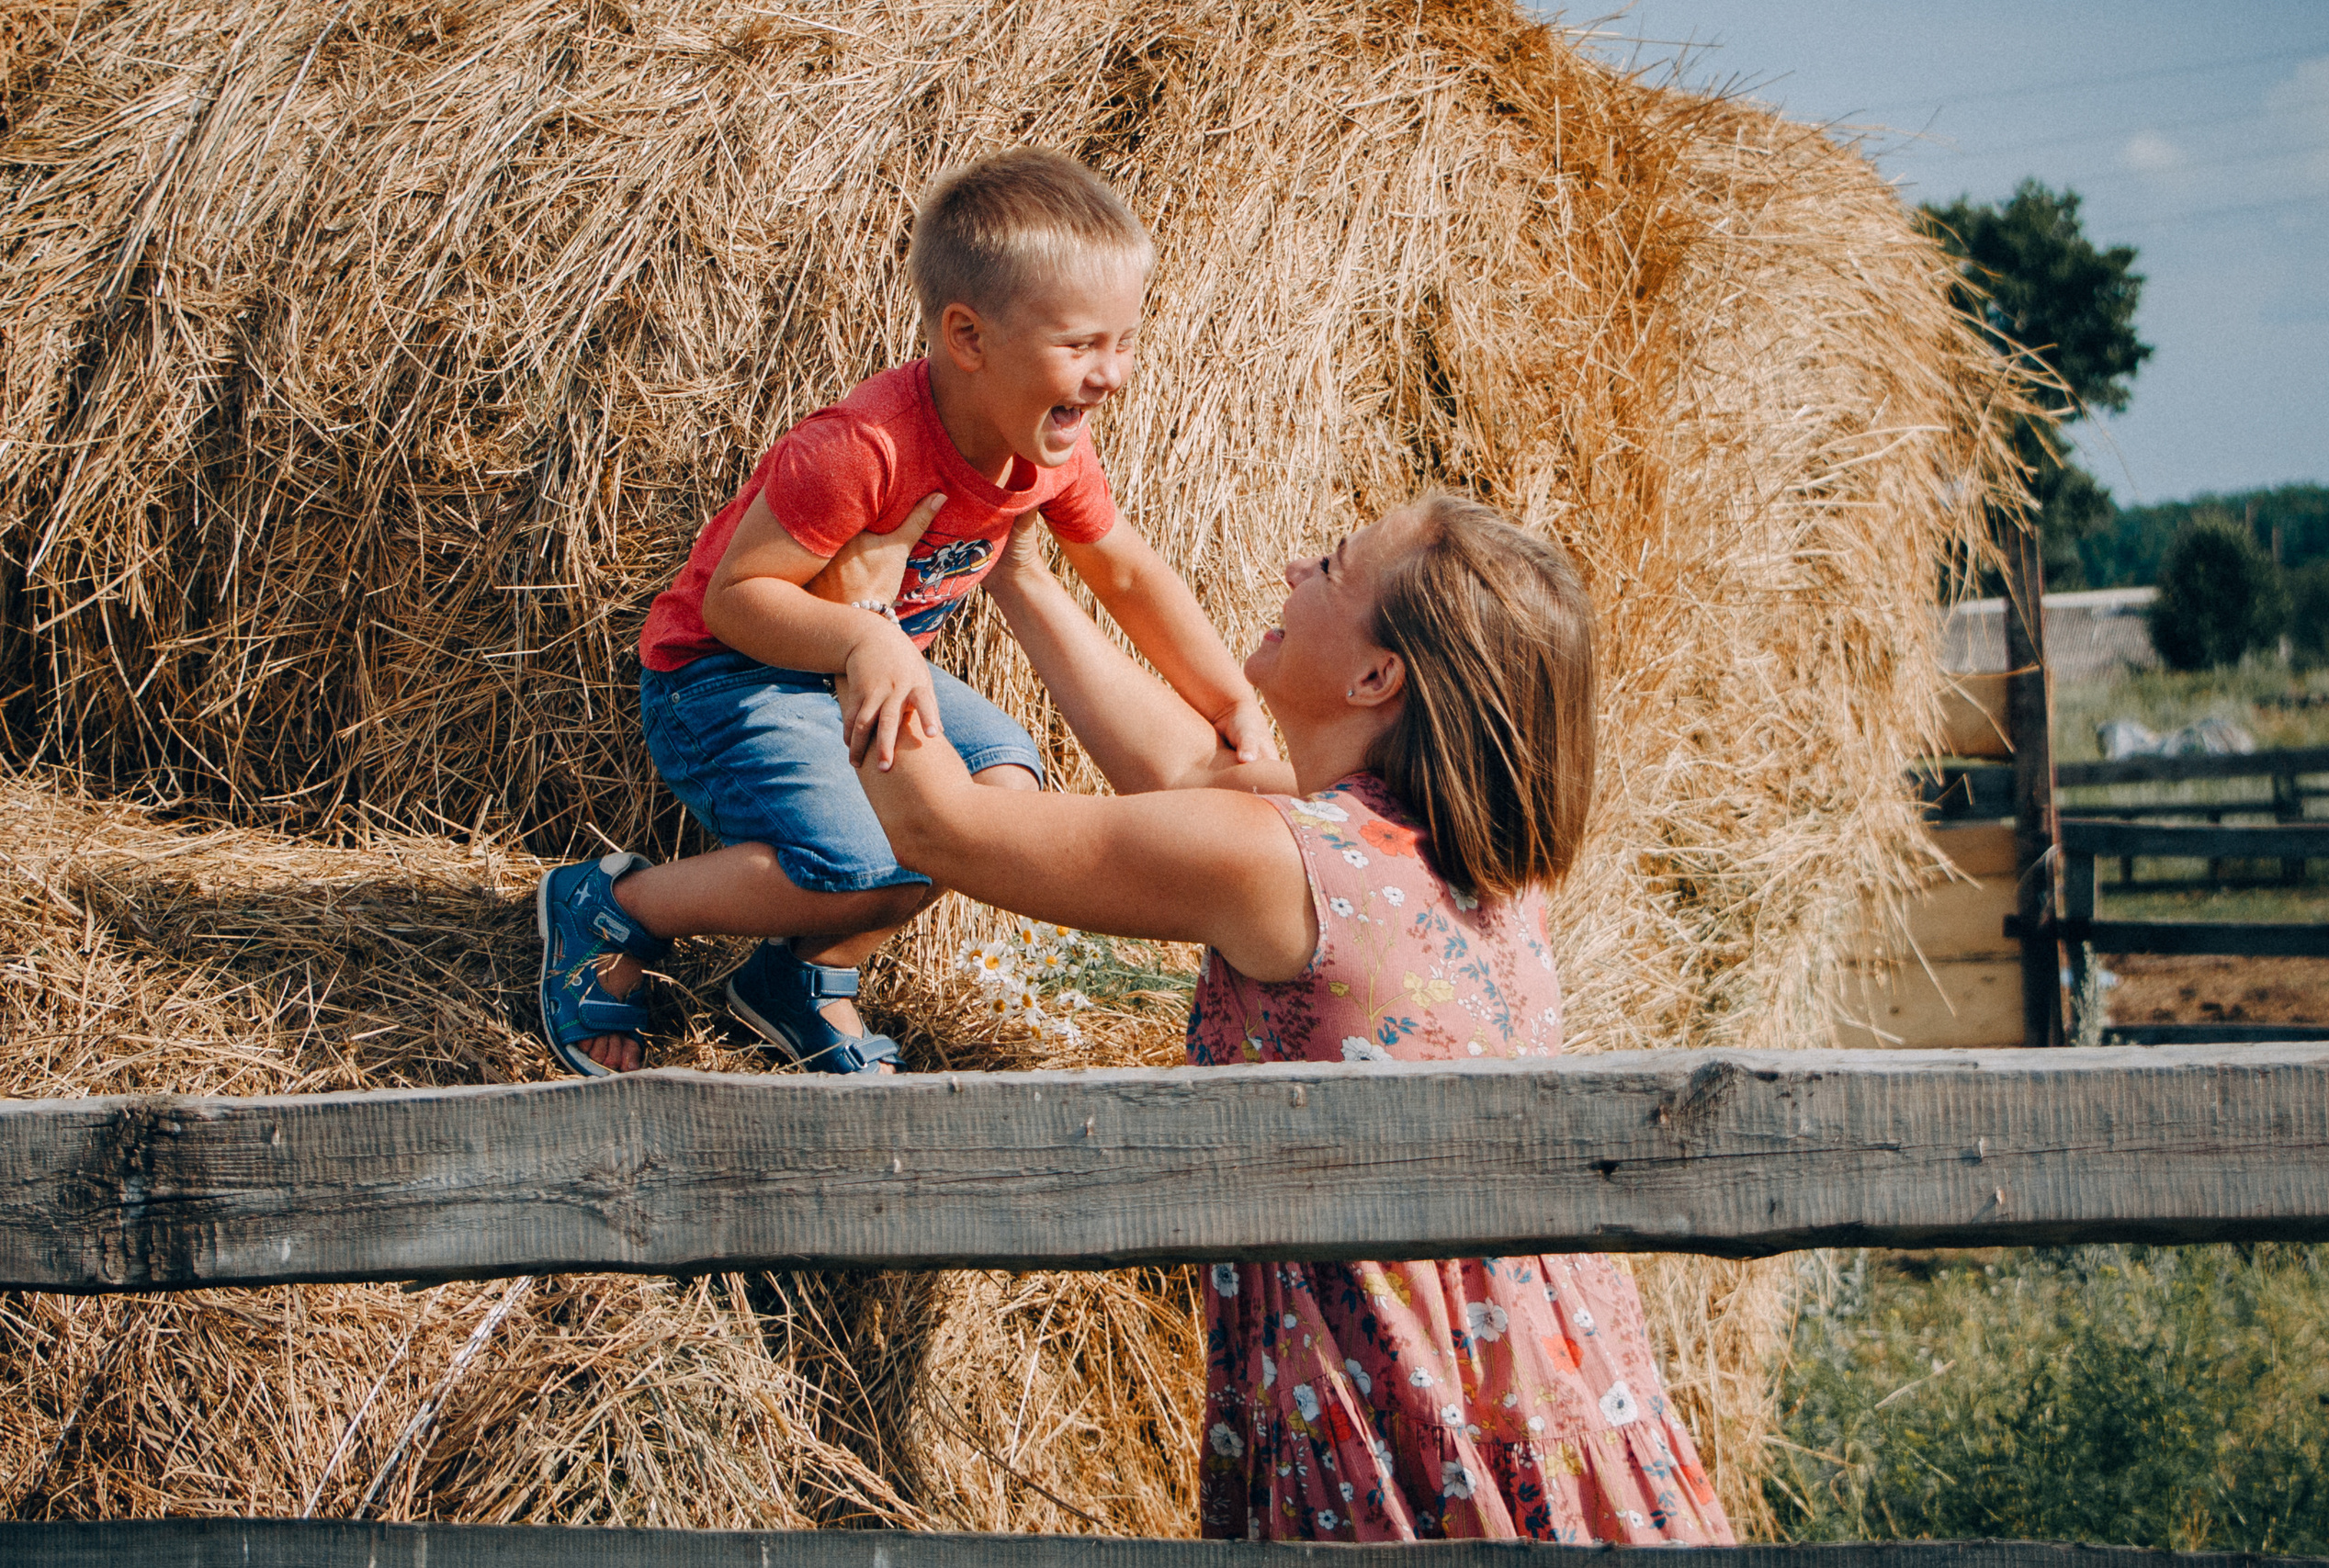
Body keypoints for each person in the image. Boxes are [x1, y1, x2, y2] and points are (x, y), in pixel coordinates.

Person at [848, 491, 1738, 1544]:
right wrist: (1015, 572)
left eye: (1330, 567)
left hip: (1404, 1422)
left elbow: (937, 825)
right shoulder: (1468, 863)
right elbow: (1185, 776)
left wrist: (861, 624)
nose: (1288, 571)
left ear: (1376, 677)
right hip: (1556, 1404)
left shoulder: (1283, 864)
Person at [535, 148, 1272, 1079]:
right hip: (724, 679)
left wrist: (1225, 698)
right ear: (968, 337)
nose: (1112, 374)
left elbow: (1124, 573)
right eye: (1082, 344)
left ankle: (802, 976)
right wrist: (860, 636)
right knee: (859, 863)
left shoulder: (1048, 455)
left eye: (1125, 341)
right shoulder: (861, 449)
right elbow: (737, 599)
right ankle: (623, 909)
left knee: (999, 799)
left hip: (858, 664)